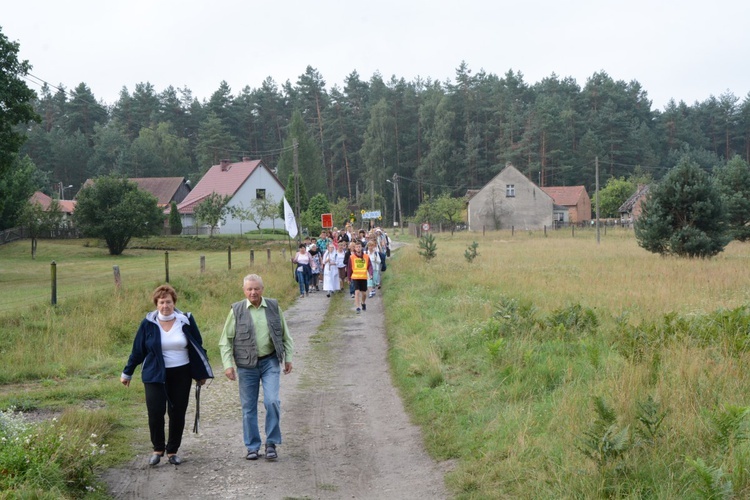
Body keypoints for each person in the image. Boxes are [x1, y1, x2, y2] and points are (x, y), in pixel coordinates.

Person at [121, 284, 213, 466]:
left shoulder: (185, 320)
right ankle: (157, 449)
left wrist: (200, 372)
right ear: (156, 304)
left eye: (169, 302)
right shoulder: (148, 323)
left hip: (181, 373)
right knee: (155, 412)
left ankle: (172, 451)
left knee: (177, 413)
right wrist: (127, 372)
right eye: (162, 302)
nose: (165, 306)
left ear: (174, 303)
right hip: (155, 375)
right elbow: (137, 350)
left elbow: (197, 346)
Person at [219, 274, 294, 461]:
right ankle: (252, 446)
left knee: (272, 401)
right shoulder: (236, 310)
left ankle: (271, 443)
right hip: (246, 365)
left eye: (256, 288)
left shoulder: (274, 307)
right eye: (249, 289)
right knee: (248, 407)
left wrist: (288, 358)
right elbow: (225, 341)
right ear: (244, 291)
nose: (253, 292)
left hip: (270, 362)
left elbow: (286, 335)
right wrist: (228, 365)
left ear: (262, 289)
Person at [347, 240, 372, 314]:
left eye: (359, 247)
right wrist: (349, 278)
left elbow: (370, 266)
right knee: (357, 292)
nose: (358, 248)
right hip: (355, 277)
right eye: (357, 247)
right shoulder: (352, 257)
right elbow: (349, 268)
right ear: (354, 248)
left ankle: (363, 303)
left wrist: (371, 274)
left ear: (361, 248)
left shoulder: (366, 257)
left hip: (363, 277)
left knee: (364, 293)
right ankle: (357, 307)